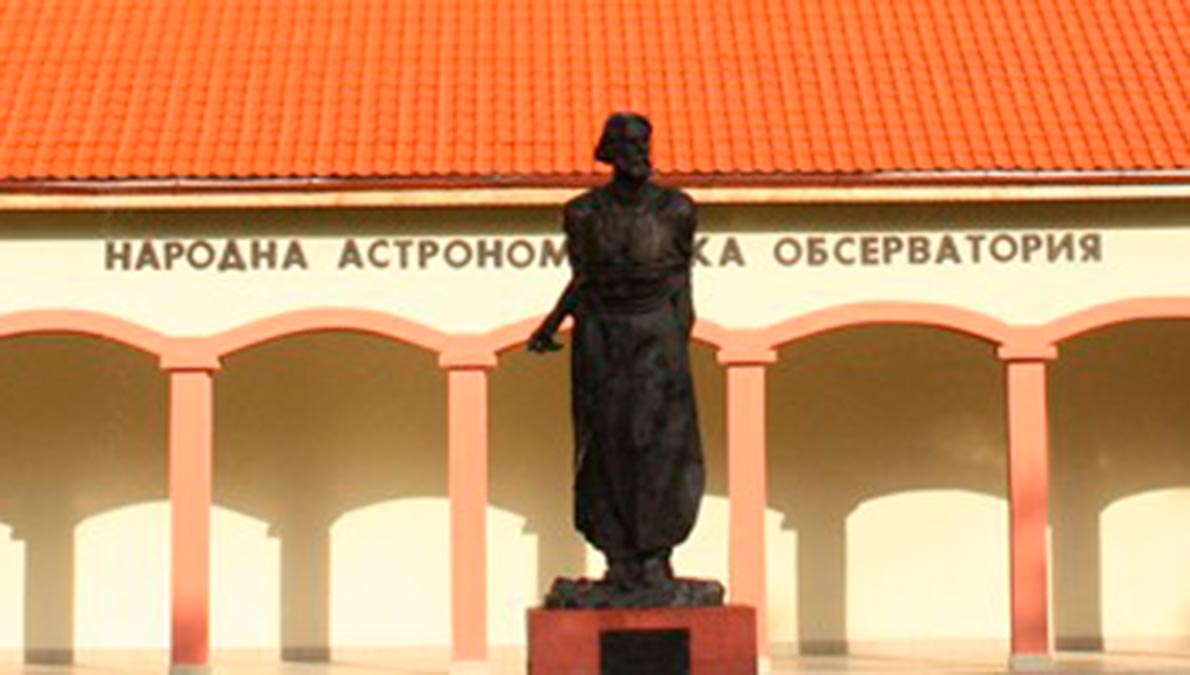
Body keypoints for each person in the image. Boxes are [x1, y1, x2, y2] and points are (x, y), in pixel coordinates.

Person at [529, 112, 704, 595]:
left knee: (661, 441)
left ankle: (655, 557)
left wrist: (677, 342)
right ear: (607, 150)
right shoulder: (583, 212)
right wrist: (550, 324)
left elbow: (682, 283)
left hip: (656, 330)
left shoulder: (676, 209)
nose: (637, 151)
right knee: (605, 442)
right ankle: (618, 557)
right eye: (626, 142)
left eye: (642, 141)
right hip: (601, 331)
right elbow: (583, 280)